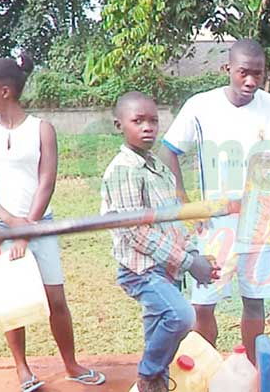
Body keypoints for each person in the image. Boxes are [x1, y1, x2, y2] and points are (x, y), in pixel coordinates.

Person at [159, 39, 270, 362]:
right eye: (243, 73)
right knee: (203, 303)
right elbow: (169, 152)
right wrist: (185, 202)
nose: (250, 81)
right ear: (227, 69)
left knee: (255, 300)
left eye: (257, 75)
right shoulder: (200, 107)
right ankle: (207, 367)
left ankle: (252, 367)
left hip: (260, 223)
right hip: (214, 226)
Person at [0, 54, 104, 391]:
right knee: (10, 302)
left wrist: (27, 229)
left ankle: (72, 365)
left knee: (55, 298)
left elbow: (46, 182)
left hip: (39, 224)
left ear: (5, 91)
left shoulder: (42, 129)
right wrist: (8, 222)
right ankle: (22, 370)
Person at [102, 92, 216, 392]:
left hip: (167, 268)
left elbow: (174, 219)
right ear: (119, 125)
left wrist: (194, 255)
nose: (148, 127)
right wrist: (190, 263)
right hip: (142, 270)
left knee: (158, 340)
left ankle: (154, 383)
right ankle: (147, 374)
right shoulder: (124, 171)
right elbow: (136, 232)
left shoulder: (158, 168)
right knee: (181, 317)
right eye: (137, 121)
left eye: (153, 120)